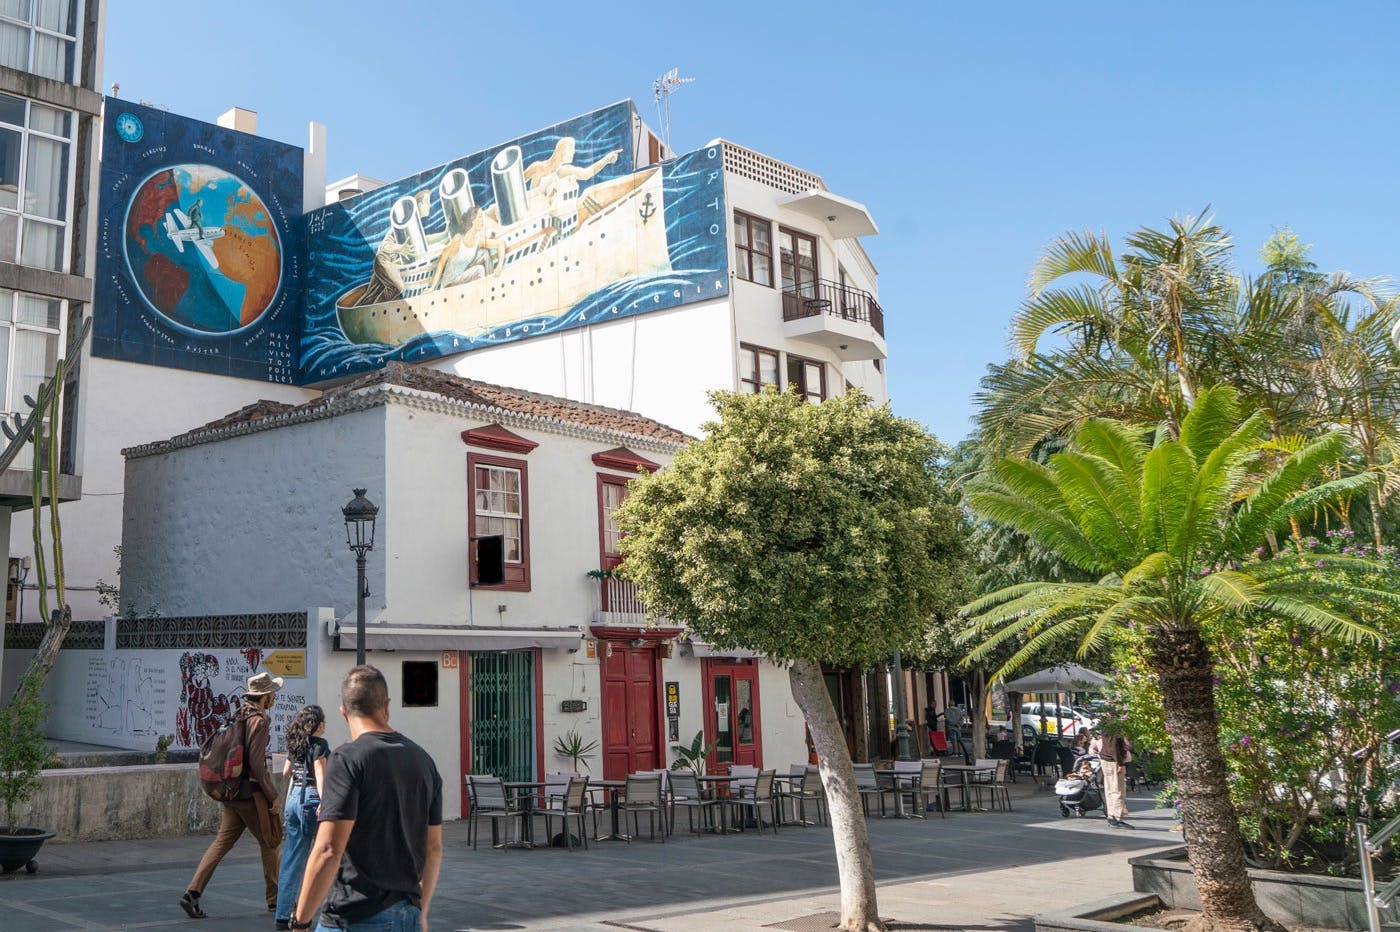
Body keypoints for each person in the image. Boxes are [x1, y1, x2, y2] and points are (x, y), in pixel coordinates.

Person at [290, 665, 443, 932]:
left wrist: (300, 921)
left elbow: (328, 849)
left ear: (344, 713)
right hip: (408, 913)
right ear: (387, 705)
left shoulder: (346, 760)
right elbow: (433, 848)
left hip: (356, 916)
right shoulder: (423, 760)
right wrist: (422, 912)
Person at [180, 671, 285, 920]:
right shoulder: (259, 721)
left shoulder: (239, 715)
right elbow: (257, 764)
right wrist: (273, 796)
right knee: (270, 842)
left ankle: (192, 893)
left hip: (231, 792)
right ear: (264, 697)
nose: (274, 697)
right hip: (250, 795)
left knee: (221, 843)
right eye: (272, 693)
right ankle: (275, 900)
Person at [275, 705, 330, 930]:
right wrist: (325, 802)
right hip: (311, 798)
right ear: (317, 724)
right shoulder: (320, 745)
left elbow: (286, 772)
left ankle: (282, 913)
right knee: (321, 854)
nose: (325, 725)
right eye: (323, 722)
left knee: (291, 857)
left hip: (293, 798)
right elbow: (320, 774)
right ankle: (310, 908)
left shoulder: (296, 743)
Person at [1096, 728, 1134, 828]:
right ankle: (1117, 818)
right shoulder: (1116, 730)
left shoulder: (1105, 728)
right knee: (1118, 790)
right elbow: (1114, 748)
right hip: (1114, 762)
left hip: (1105, 759)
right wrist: (1121, 763)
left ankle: (1111, 815)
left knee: (1109, 789)